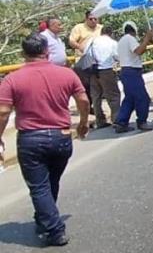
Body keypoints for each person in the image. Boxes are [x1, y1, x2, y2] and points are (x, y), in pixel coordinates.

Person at [0, 34, 90, 246]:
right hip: (62, 137)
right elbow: (84, 100)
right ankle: (44, 218)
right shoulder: (66, 74)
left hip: (31, 139)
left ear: (23, 54)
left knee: (39, 187)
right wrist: (84, 123)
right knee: (51, 182)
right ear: (47, 52)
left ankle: (55, 229)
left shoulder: (12, 79)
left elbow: (3, 112)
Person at [113, 22, 153, 133]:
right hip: (132, 71)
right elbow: (139, 51)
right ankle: (142, 121)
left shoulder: (122, 40)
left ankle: (121, 122)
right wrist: (147, 38)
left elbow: (137, 51)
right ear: (134, 30)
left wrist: (147, 41)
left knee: (130, 99)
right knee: (142, 98)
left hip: (126, 71)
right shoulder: (130, 39)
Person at [90, 26, 121, 129]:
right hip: (106, 70)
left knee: (96, 96)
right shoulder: (112, 43)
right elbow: (117, 56)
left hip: (92, 70)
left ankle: (100, 120)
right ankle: (116, 120)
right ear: (111, 33)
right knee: (114, 96)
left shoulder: (92, 41)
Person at [68, 10, 102, 103]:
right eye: (91, 19)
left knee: (97, 84)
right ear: (86, 19)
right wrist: (81, 48)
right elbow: (71, 41)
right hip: (83, 60)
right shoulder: (79, 28)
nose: (93, 21)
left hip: (98, 60)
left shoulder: (101, 28)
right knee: (86, 84)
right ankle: (88, 105)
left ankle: (96, 105)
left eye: (95, 19)